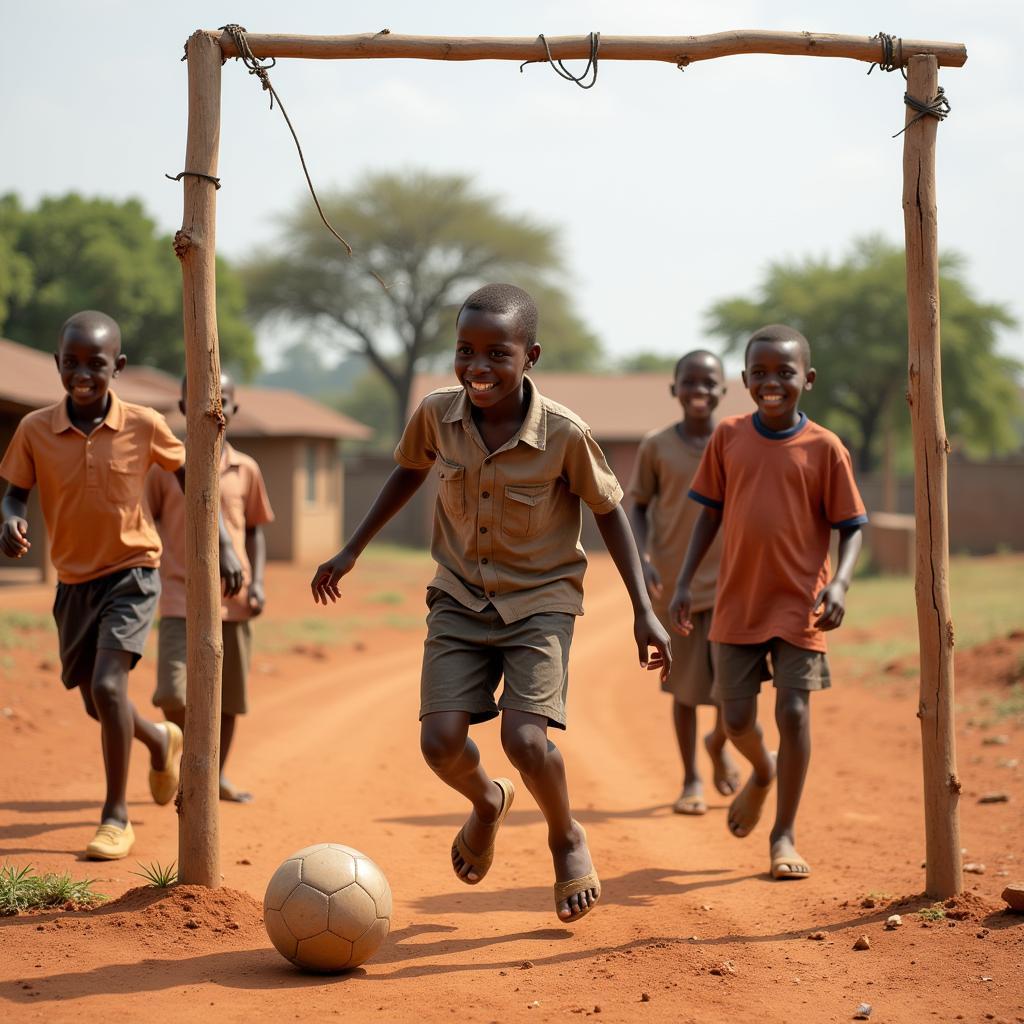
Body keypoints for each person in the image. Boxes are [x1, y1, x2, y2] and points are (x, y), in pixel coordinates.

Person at [311, 283, 671, 923]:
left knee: (526, 739)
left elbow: (610, 511)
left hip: (540, 601)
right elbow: (407, 471)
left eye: (496, 354)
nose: (478, 367)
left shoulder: (564, 433)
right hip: (458, 596)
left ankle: (566, 836)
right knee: (440, 743)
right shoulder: (435, 414)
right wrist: (351, 549)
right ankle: (486, 803)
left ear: (529, 355)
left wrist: (643, 609)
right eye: (465, 350)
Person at [0, 311, 243, 859]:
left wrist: (225, 545)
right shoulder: (35, 428)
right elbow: (15, 492)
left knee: (110, 689)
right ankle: (160, 739)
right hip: (72, 582)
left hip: (133, 572)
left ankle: (115, 816)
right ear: (57, 363)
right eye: (72, 363)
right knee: (94, 701)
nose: (83, 374)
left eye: (96, 364)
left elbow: (192, 479)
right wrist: (10, 518)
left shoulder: (145, 423)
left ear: (119, 367)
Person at [669, 324, 866, 880]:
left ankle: (783, 836)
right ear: (745, 380)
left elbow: (851, 526)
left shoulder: (825, 448)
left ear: (808, 377)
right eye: (759, 373)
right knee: (734, 720)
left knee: (794, 710)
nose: (771, 382)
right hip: (737, 603)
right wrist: (684, 582)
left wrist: (841, 583)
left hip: (800, 602)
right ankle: (762, 771)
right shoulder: (728, 436)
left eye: (784, 372)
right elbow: (708, 514)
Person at [145, 372, 274, 803]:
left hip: (233, 602)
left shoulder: (246, 469)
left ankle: (212, 778)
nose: (213, 408)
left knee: (230, 701)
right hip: (180, 596)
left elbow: (254, 530)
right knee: (171, 691)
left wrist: (256, 584)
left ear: (235, 409)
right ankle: (184, 756)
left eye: (224, 400)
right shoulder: (165, 467)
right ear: (183, 407)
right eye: (199, 399)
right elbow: (147, 522)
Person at [629, 350, 739, 816]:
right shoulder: (656, 446)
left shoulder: (737, 441)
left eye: (708, 382)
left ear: (723, 390)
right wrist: (644, 557)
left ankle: (720, 743)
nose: (699, 391)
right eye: (689, 382)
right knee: (685, 689)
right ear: (674, 390)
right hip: (680, 587)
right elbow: (636, 505)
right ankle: (691, 776)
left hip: (736, 583)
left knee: (736, 689)